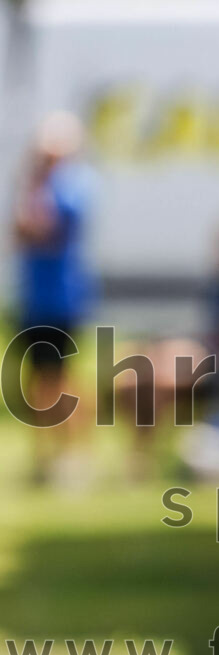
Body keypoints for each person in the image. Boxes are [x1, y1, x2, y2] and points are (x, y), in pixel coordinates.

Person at [10, 111, 95, 483]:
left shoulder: (75, 185)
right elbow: (18, 231)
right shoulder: (34, 185)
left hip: (63, 299)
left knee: (61, 378)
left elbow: (41, 229)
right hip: (33, 298)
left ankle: (72, 455)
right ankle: (43, 457)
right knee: (35, 379)